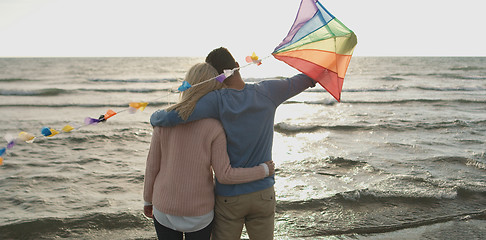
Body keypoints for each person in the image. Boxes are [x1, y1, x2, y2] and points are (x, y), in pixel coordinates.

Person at [150, 47, 316, 240]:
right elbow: (304, 80)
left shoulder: (215, 101)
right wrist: (325, 67)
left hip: (229, 198)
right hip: (263, 193)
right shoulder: (268, 91)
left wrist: (155, 117)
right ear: (237, 65)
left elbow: (177, 115)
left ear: (214, 78)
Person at [143, 62, 275, 240]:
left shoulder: (164, 122)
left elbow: (152, 167)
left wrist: (147, 200)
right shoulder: (214, 127)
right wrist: (264, 170)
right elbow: (225, 175)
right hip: (199, 213)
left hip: (164, 208)